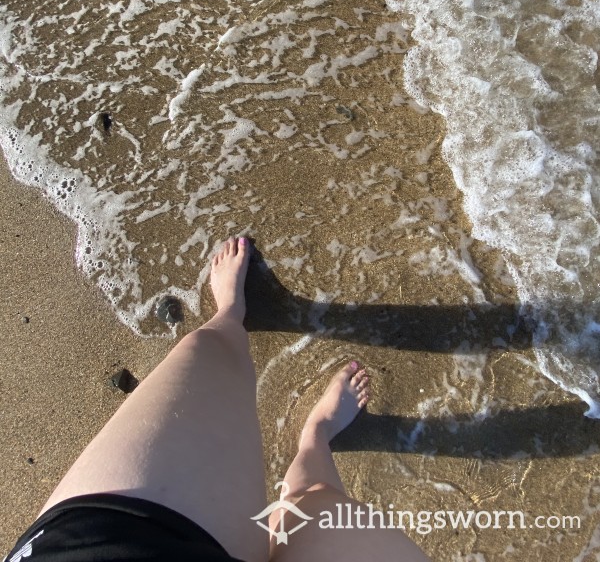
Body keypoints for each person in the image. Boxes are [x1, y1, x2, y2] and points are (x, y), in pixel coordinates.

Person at [6, 236, 430, 562]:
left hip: (108, 541)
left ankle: (230, 313)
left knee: (207, 351)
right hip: (130, 539)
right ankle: (313, 435)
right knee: (313, 500)